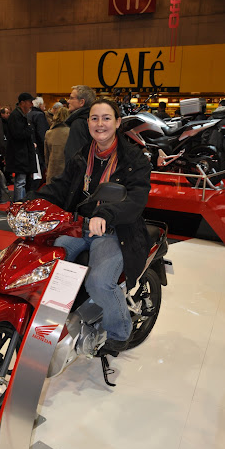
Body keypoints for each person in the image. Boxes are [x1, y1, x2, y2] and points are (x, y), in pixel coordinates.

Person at [28, 98, 151, 352]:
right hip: (81, 225)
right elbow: (62, 186)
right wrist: (32, 201)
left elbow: (136, 200)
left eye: (106, 118)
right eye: (95, 118)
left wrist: (106, 214)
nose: (100, 124)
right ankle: (54, 324)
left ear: (117, 122)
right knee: (47, 264)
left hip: (117, 230)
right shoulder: (84, 155)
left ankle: (120, 331)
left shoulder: (134, 158)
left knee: (99, 281)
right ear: (88, 123)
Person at [5, 92, 37, 201]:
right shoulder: (16, 116)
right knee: (20, 181)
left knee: (22, 181)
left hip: (21, 155)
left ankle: (19, 203)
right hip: (19, 155)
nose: (31, 104)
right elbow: (18, 134)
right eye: (29, 102)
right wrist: (29, 129)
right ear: (22, 103)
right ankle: (19, 204)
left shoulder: (19, 115)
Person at [64, 85, 96, 163]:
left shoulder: (78, 123)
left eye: (71, 98)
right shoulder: (93, 121)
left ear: (82, 102)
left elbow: (75, 155)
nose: (68, 101)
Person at [44, 106, 70, 184]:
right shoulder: (71, 132)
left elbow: (46, 155)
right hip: (66, 171)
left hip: (52, 170)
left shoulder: (49, 133)